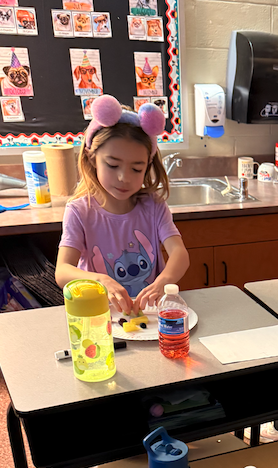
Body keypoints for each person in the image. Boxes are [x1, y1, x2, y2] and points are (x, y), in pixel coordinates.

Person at [56, 95, 189, 314]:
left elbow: (180, 255)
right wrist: (102, 280)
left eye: (136, 169)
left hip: (149, 314)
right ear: (92, 159)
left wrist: (162, 281)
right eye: (112, 165)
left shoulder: (154, 206)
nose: (123, 178)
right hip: (100, 315)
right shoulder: (80, 211)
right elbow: (62, 272)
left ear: (147, 167)